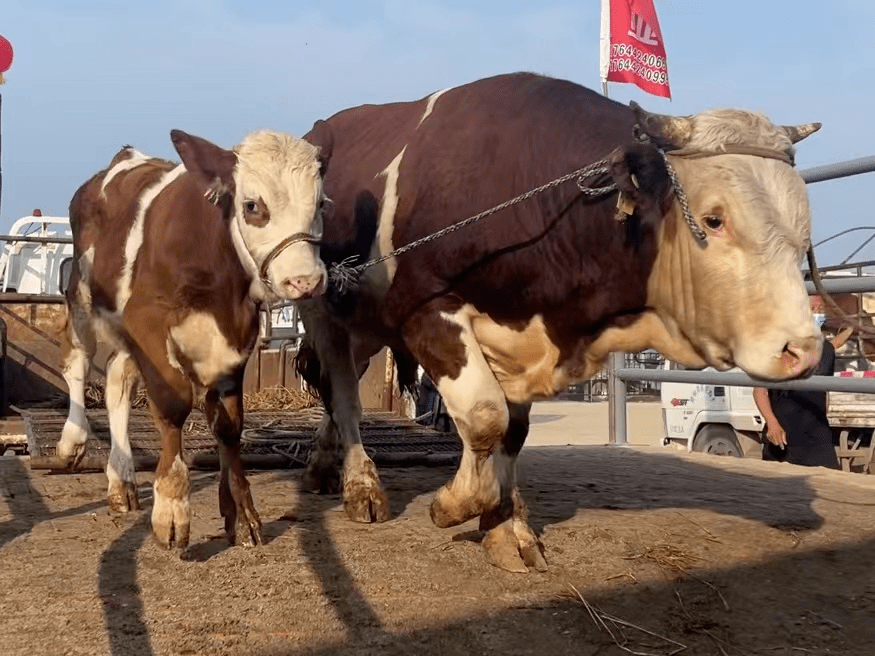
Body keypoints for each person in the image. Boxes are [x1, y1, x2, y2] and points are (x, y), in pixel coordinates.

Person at [753, 310, 853, 469]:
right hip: (783, 439)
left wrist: (851, 328)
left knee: (828, 484)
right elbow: (760, 390)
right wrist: (772, 423)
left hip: (818, 438)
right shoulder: (776, 353)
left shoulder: (824, 350)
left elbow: (836, 344)